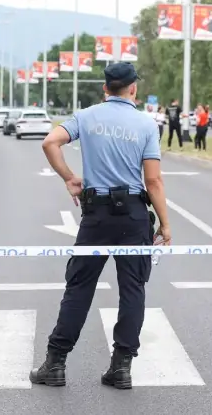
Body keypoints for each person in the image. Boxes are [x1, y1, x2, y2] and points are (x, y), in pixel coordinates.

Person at [30, 61, 172, 390]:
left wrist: (69, 178)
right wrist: (165, 224)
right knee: (133, 290)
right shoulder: (146, 125)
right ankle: (121, 367)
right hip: (134, 216)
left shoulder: (87, 116)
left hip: (96, 215)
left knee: (79, 288)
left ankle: (55, 364)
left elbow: (50, 143)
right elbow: (153, 180)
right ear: (133, 88)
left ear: (105, 88)